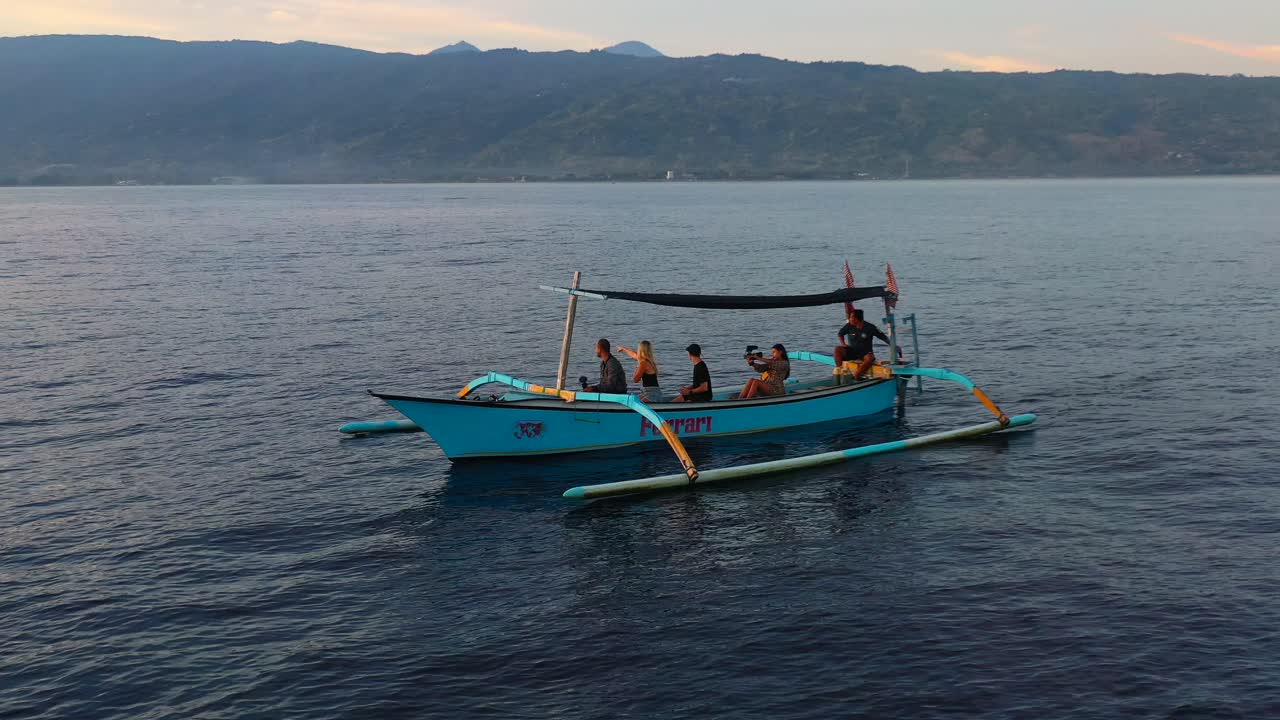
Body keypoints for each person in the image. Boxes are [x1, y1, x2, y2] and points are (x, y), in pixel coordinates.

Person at [834, 309, 895, 381]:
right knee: (837, 349)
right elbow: (840, 334)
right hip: (853, 352)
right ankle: (840, 370)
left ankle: (857, 376)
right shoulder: (849, 325)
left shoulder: (870, 327)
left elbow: (883, 337)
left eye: (851, 317)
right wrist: (843, 344)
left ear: (857, 319)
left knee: (869, 358)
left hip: (865, 354)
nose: (850, 319)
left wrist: (893, 346)